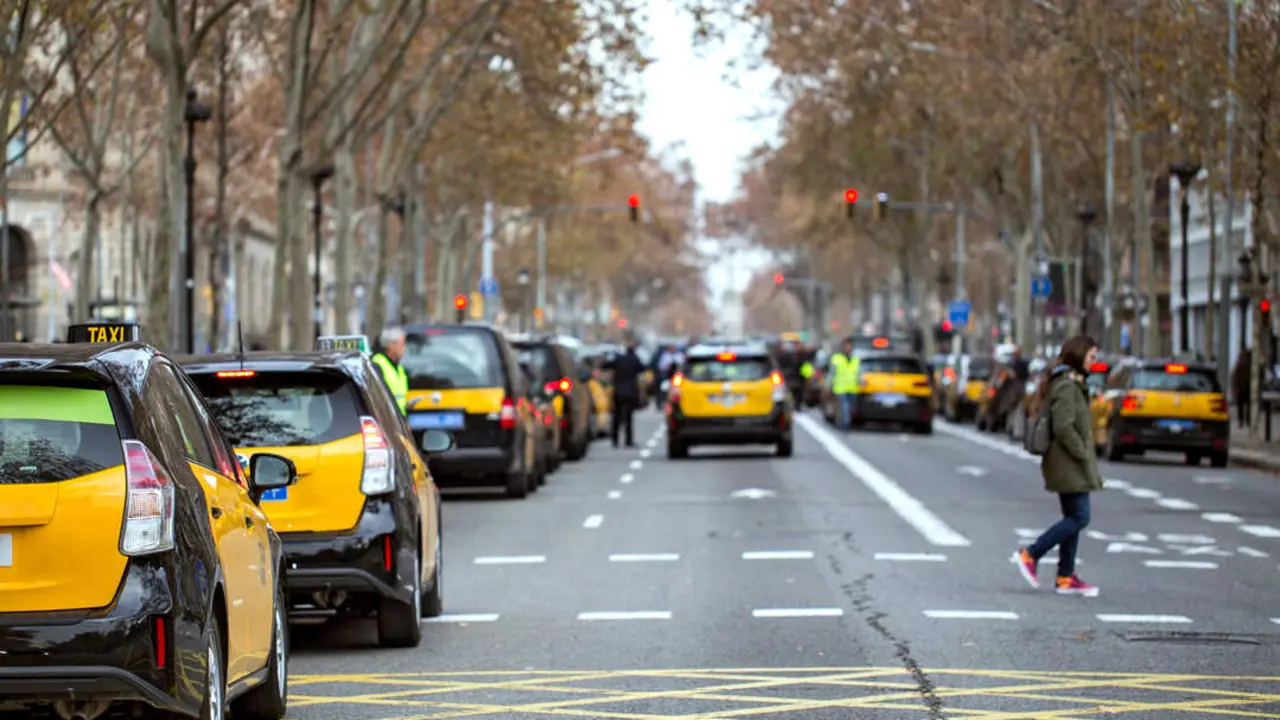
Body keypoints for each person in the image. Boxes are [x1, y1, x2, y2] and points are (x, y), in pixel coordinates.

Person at [1012, 334, 1103, 597]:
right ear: (1079, 355)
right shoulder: (1066, 385)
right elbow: (1063, 426)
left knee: (1073, 517)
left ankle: (1065, 576)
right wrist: (1082, 452)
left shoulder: (1070, 382)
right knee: (1080, 516)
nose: (1093, 362)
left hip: (1067, 461)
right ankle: (1031, 554)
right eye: (1091, 357)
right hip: (1067, 462)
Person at [606, 336, 646, 447]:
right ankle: (628, 440)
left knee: (617, 416)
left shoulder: (619, 359)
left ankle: (615, 439)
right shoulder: (634, 359)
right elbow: (643, 368)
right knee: (628, 417)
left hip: (618, 391)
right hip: (630, 392)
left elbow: (606, 365)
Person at [371, 327, 409, 414]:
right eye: (402, 344)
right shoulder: (378, 363)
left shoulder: (399, 367)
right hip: (386, 417)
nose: (404, 348)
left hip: (398, 417)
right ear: (391, 345)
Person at [831, 339, 860, 429]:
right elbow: (832, 373)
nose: (848, 348)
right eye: (846, 346)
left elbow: (859, 373)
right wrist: (829, 385)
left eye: (849, 346)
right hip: (840, 388)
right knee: (844, 407)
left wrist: (861, 381)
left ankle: (846, 421)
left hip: (852, 388)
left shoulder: (856, 359)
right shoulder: (837, 358)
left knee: (851, 408)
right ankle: (846, 423)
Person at [1232, 349, 1252, 428]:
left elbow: (1235, 377)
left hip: (1240, 388)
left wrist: (1236, 387)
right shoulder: (1250, 365)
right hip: (1248, 387)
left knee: (1240, 405)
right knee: (1249, 405)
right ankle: (1248, 420)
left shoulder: (1239, 364)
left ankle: (1241, 421)